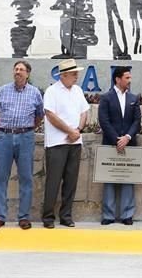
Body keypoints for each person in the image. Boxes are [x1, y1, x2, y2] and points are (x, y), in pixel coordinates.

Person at [0, 60, 44, 232]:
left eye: (21, 70)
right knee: (0, 178)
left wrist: (28, 129)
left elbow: (39, 115)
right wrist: (1, 129)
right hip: (5, 137)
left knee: (26, 178)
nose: (18, 72)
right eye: (16, 69)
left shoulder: (35, 93)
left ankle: (24, 217)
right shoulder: (3, 90)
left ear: (28, 74)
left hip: (26, 137)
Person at [41, 59, 89, 229]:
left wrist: (78, 130)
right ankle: (48, 217)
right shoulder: (52, 91)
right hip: (56, 143)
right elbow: (50, 114)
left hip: (75, 142)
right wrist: (70, 131)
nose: (77, 76)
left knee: (71, 181)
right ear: (64, 75)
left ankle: (66, 216)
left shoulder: (78, 90)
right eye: (74, 73)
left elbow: (84, 111)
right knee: (53, 181)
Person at [97, 66, 141, 226]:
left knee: (128, 178)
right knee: (109, 178)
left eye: (130, 78)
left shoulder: (133, 98)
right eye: (127, 78)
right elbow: (104, 120)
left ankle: (126, 215)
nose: (129, 81)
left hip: (129, 144)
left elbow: (137, 121)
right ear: (117, 79)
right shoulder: (106, 97)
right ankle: (108, 215)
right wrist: (117, 139)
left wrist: (127, 137)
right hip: (111, 144)